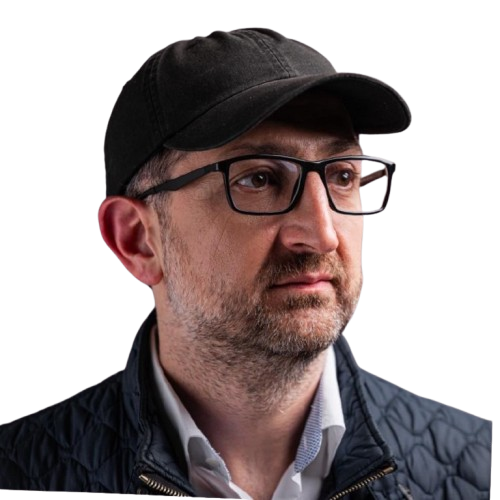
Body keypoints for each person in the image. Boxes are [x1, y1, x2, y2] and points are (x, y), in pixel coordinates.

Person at [0, 27, 492, 499]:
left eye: (342, 176)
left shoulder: (480, 465)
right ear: (138, 240)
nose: (322, 234)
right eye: (258, 179)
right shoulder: (15, 471)